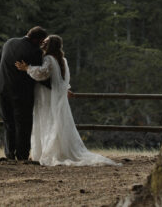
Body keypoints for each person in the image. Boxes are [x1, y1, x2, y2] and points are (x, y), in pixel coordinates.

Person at [15, 35, 118, 167]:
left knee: (47, 119)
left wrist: (27, 68)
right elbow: (64, 79)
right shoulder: (62, 60)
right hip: (55, 95)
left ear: (50, 45)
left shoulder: (48, 58)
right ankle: (54, 149)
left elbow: (43, 73)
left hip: (47, 96)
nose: (43, 43)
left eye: (45, 42)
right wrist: (65, 90)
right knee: (54, 120)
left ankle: (48, 151)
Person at [0, 26, 48, 160]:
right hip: (22, 92)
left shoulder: (9, 42)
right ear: (37, 40)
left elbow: (0, 63)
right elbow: (37, 74)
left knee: (8, 123)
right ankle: (22, 155)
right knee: (24, 124)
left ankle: (9, 153)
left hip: (2, 88)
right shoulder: (34, 51)